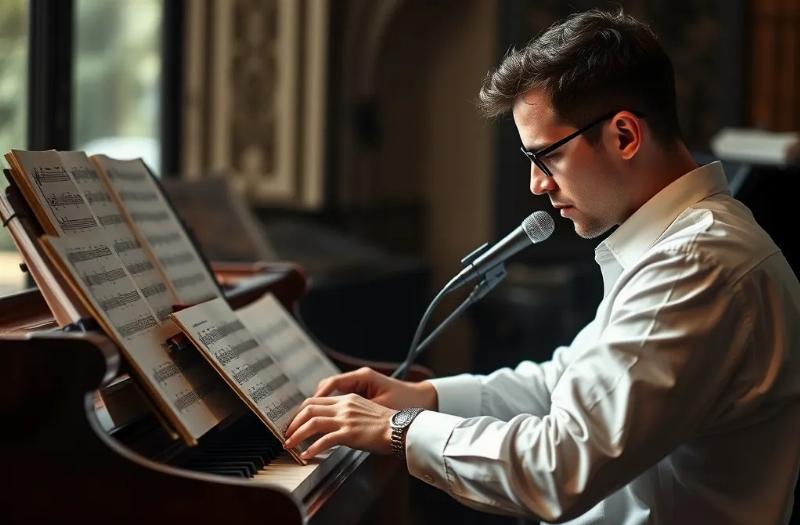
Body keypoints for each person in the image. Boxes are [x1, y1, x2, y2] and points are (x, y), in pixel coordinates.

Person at [283, 9, 800, 524]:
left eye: (546, 156)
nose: (537, 184)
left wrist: (400, 428)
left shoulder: (696, 263)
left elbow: (560, 466)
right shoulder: (675, 247)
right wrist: (427, 396)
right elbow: (565, 383)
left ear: (624, 135)